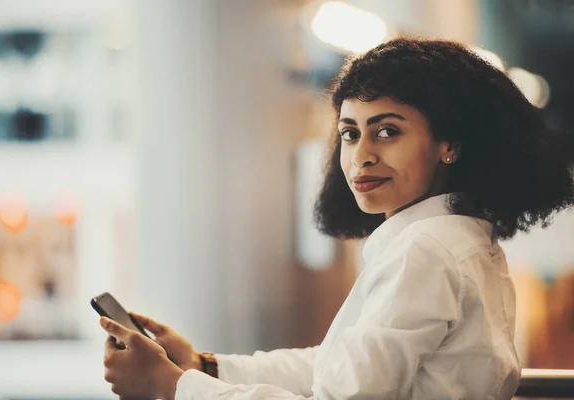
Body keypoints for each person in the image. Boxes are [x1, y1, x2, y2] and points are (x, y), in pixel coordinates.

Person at [99, 37, 574, 399]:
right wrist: (204, 366)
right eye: (349, 134)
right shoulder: (461, 238)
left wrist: (173, 386)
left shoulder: (425, 252)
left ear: (449, 143)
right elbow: (342, 368)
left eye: (387, 131)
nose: (360, 156)